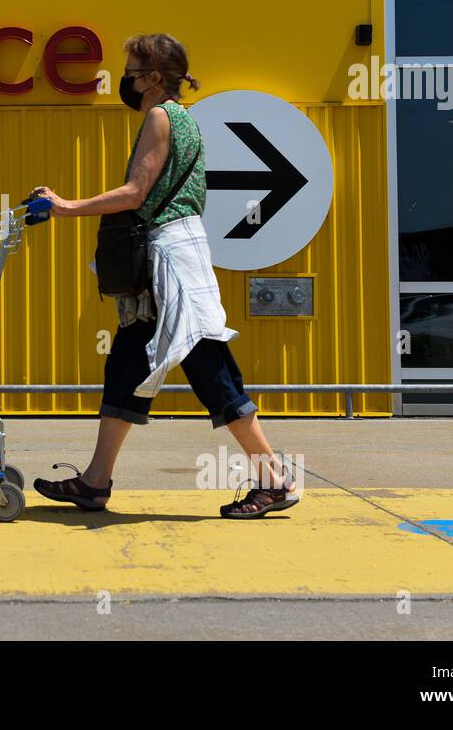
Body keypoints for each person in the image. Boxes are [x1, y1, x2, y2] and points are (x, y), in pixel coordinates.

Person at [32, 33, 300, 518]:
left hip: (172, 268)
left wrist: (66, 207)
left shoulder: (161, 116)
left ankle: (275, 480)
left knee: (214, 375)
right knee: (126, 370)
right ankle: (95, 483)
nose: (126, 80)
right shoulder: (185, 121)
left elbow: (136, 193)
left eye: (133, 71)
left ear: (154, 78)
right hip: (169, 267)